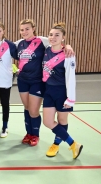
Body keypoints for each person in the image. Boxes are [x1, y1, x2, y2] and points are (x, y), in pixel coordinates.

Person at [11, 19, 74, 146]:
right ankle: (28, 133)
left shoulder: (43, 40)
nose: (24, 32)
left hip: (37, 82)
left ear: (33, 28)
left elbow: (57, 43)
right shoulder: (19, 44)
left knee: (34, 111)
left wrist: (68, 46)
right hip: (23, 80)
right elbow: (5, 45)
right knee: (27, 108)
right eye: (22, 30)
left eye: (27, 29)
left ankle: (35, 135)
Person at [42, 23, 82, 159]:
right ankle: (73, 143)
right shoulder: (47, 49)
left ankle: (56, 144)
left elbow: (71, 78)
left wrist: (70, 99)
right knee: (47, 121)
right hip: (48, 91)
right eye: (51, 34)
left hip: (61, 92)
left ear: (63, 38)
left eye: (57, 35)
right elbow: (34, 38)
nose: (53, 37)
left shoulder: (67, 54)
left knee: (62, 120)